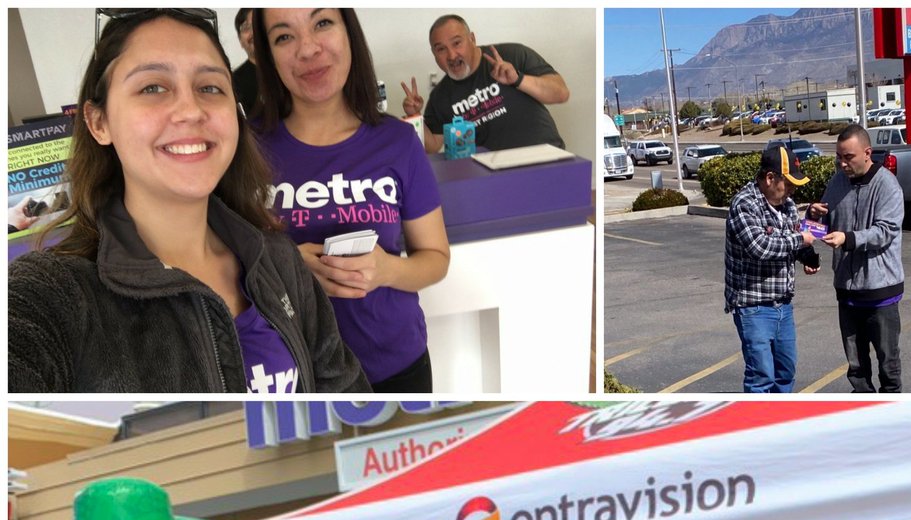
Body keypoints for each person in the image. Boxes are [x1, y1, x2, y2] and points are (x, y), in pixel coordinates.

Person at [8, 8, 368, 393]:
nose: (191, 111)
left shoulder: (278, 260)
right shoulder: (54, 295)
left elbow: (347, 398)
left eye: (210, 88)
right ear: (99, 123)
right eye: (152, 87)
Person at [254, 8, 451, 392]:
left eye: (322, 23)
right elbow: (221, 264)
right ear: (268, 56)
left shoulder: (398, 141)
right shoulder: (246, 149)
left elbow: (436, 258)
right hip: (294, 373)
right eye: (284, 36)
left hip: (396, 366)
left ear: (349, 33)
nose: (308, 49)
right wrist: (287, 268)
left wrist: (386, 270)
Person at [805, 123, 905, 392]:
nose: (842, 163)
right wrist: (813, 215)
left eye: (848, 157)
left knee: (888, 365)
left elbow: (885, 231)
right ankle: (862, 406)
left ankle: (891, 410)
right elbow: (825, 223)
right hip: (847, 292)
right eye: (839, 157)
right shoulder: (837, 182)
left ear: (867, 153)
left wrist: (848, 239)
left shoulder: (887, 185)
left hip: (880, 292)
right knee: (856, 368)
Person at [724, 147, 821, 393]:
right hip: (753, 306)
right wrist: (800, 240)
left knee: (785, 372)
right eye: (788, 184)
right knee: (761, 376)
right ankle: (760, 417)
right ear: (769, 178)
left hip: (783, 305)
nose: (792, 191)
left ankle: (780, 414)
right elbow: (760, 247)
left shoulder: (786, 205)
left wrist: (808, 256)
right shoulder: (744, 204)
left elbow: (792, 239)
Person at [401, 15, 569, 154]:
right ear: (434, 54)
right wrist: (414, 115)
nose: (451, 55)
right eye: (441, 49)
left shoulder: (512, 54)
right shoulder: (440, 96)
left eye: (457, 43)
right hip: (493, 173)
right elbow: (433, 146)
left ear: (472, 39)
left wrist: (518, 79)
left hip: (546, 156)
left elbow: (561, 93)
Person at [232, 8, 260, 117]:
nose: (253, 32)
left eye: (257, 25)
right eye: (245, 27)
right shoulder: (234, 82)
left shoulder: (289, 69)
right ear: (240, 41)